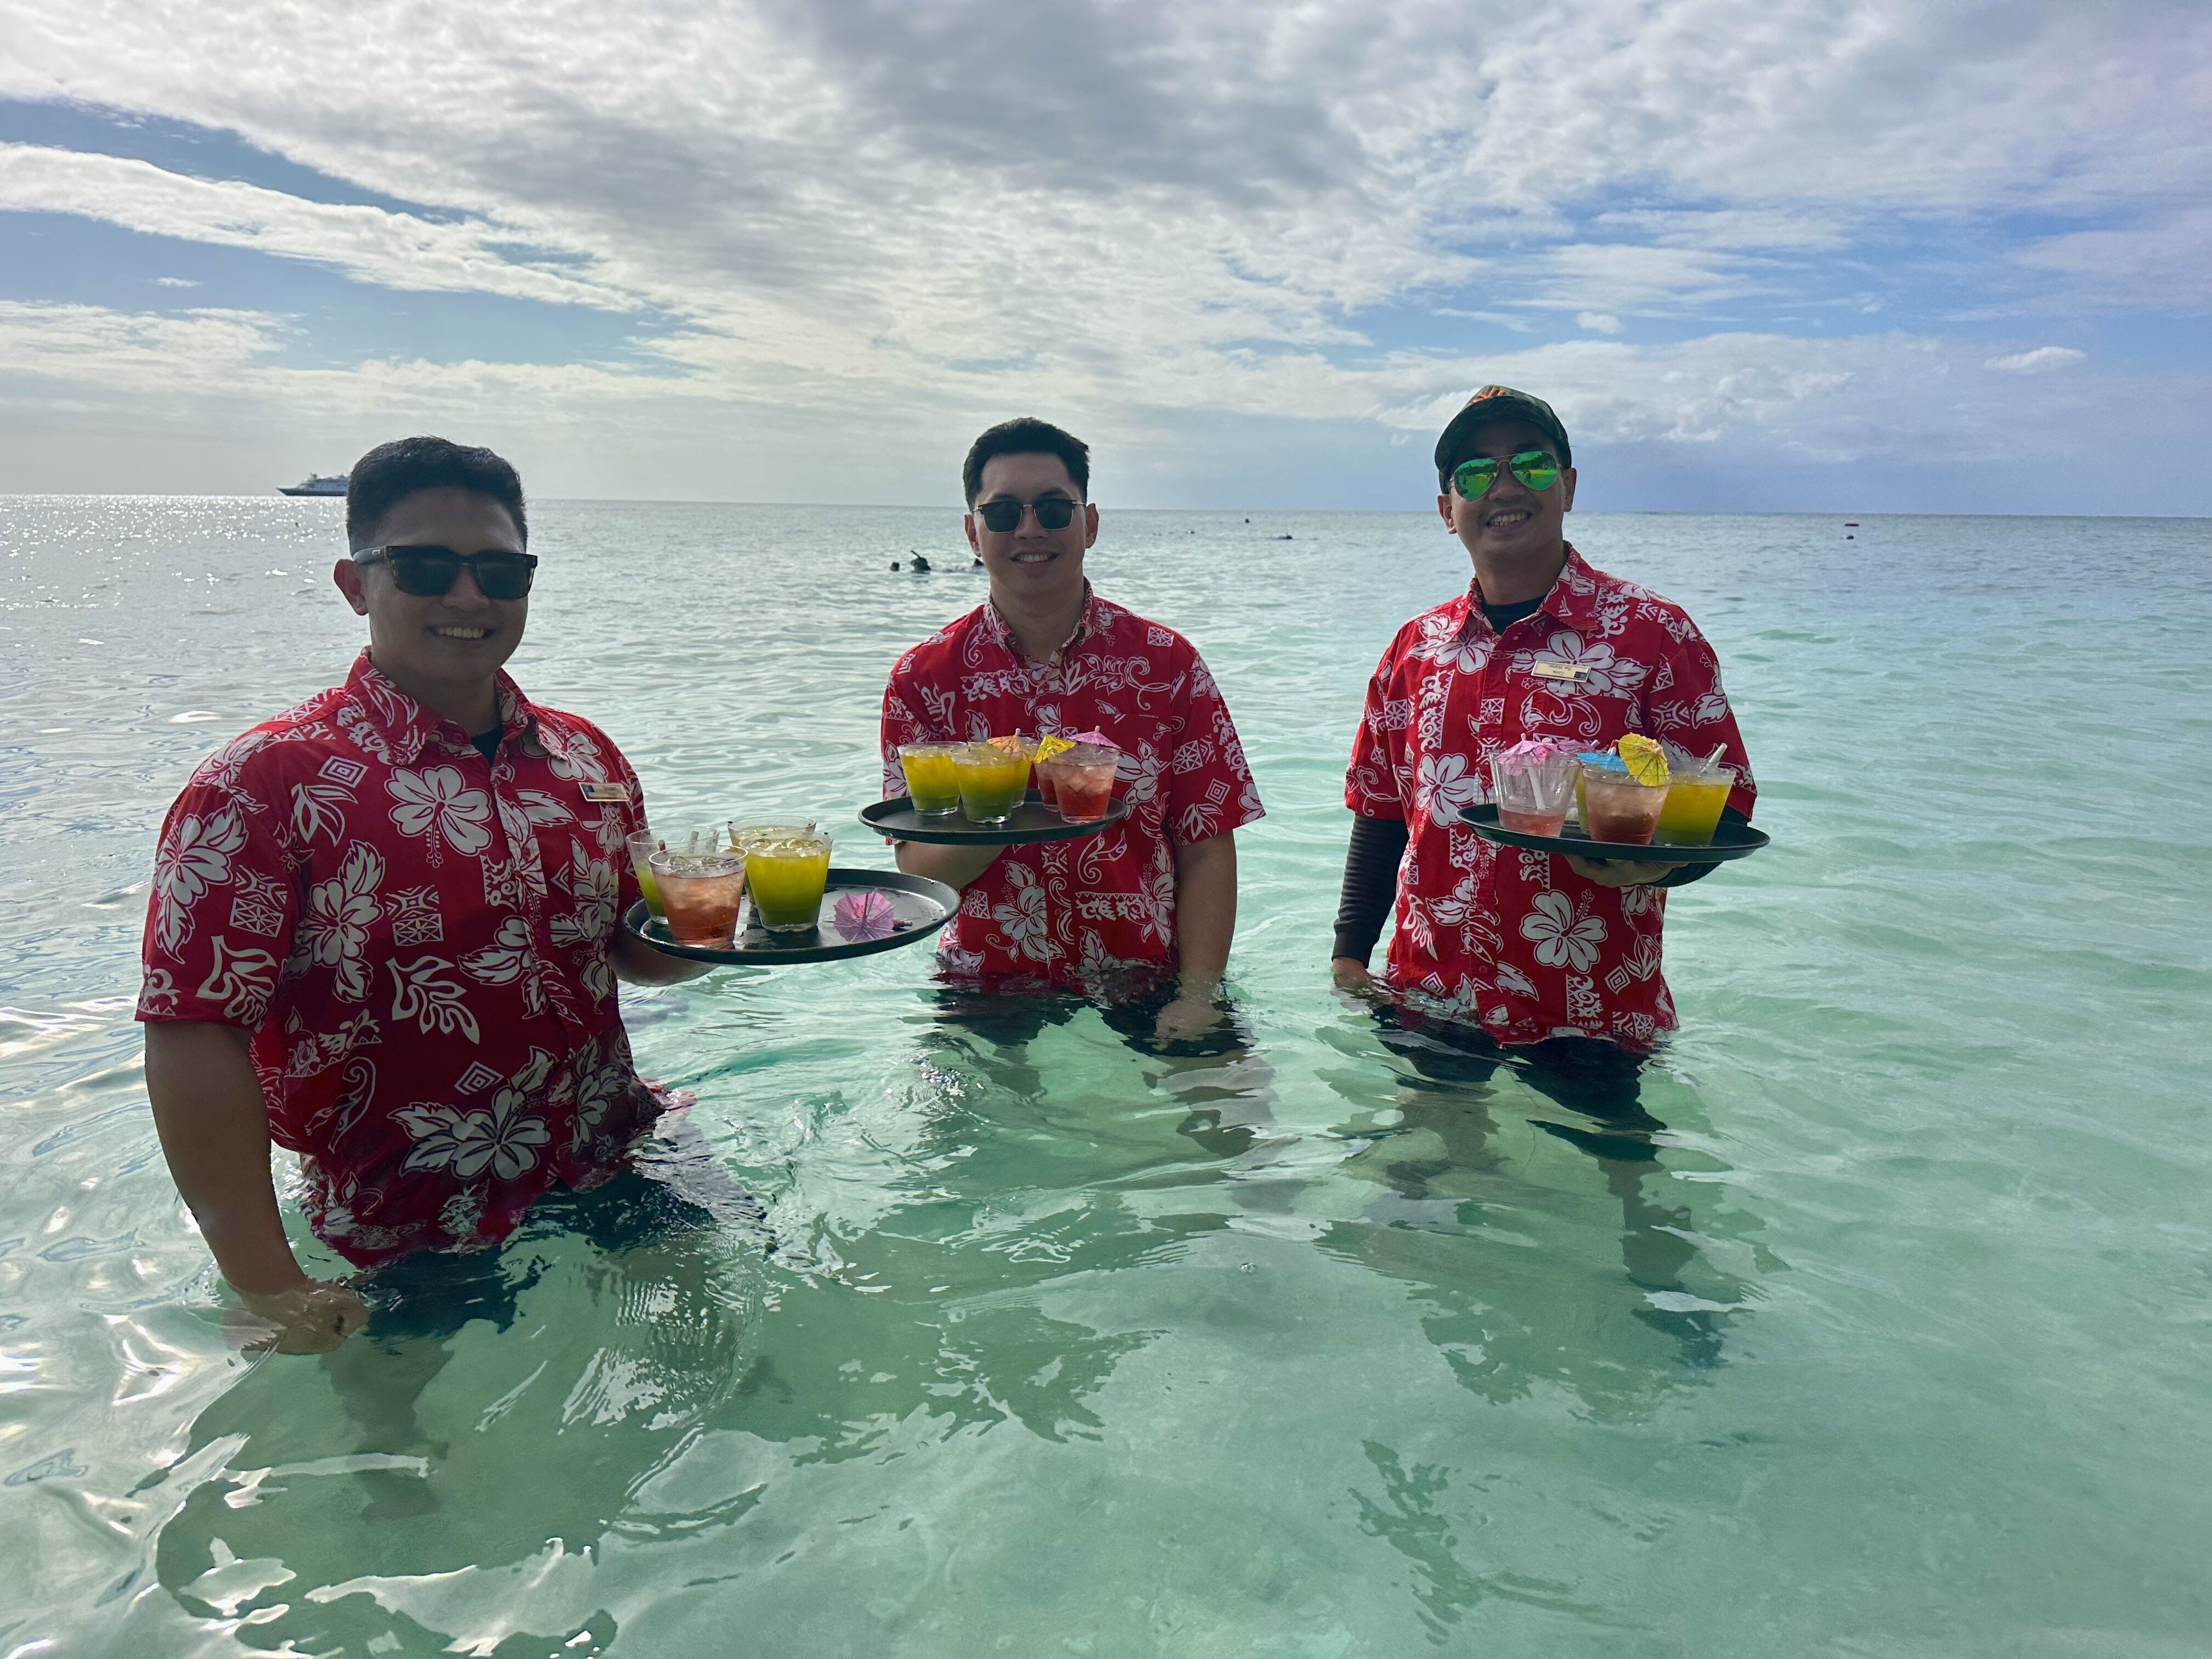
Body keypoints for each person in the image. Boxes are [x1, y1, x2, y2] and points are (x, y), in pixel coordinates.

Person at [137, 436, 710, 1353]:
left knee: (728, 1368)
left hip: (616, 1151)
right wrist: (266, 1280)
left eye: (500, 571)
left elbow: (628, 954)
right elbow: (194, 1027)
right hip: (404, 1218)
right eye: (427, 567)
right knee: (408, 1444)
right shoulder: (264, 783)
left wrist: (721, 932)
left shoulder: (584, 758)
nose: (469, 597)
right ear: (356, 584)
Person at [1332, 385, 1755, 1070]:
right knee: (1428, 1141)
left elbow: (1724, 801)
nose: (1504, 487)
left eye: (1529, 464)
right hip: (1431, 991)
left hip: (1588, 1003)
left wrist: (1659, 864)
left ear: (1569, 487)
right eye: (1475, 473)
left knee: (1602, 1146)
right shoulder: (1416, 649)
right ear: (1447, 510)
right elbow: (1381, 811)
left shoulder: (1652, 633)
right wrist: (1350, 952)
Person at [879, 417, 1263, 1042]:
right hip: (988, 979)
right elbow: (922, 872)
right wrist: (1001, 798)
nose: (1030, 528)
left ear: (1090, 524)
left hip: (1147, 971)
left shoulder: (1166, 664)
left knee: (1226, 1105)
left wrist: (1198, 995)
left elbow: (1207, 847)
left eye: (1054, 509)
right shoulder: (924, 679)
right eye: (1003, 512)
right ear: (973, 533)